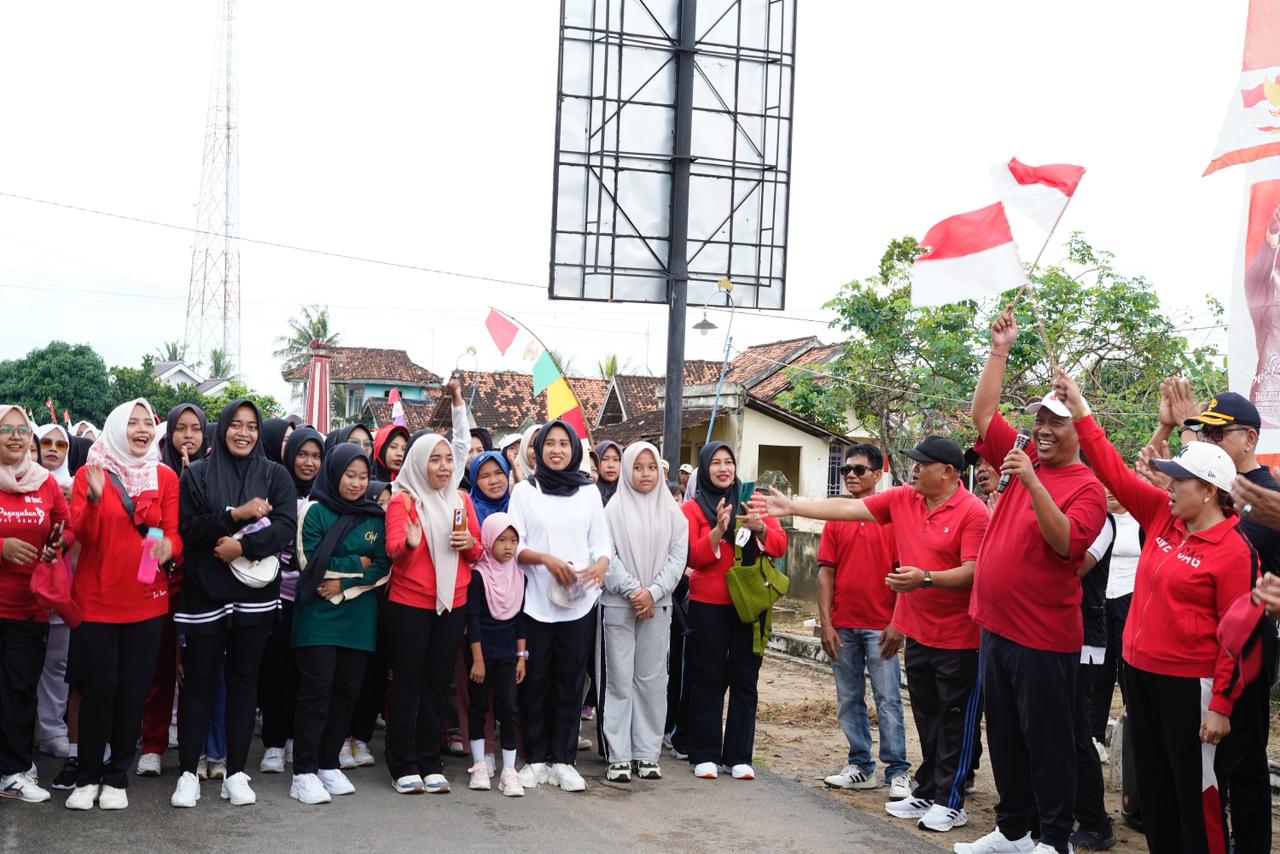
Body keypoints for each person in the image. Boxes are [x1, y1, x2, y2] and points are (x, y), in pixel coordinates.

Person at [1053, 370, 1255, 854]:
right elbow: (1110, 468)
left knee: (1196, 795)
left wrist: (1221, 705)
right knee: (1156, 791)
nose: (1168, 484)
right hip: (1140, 675)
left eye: (1179, 479)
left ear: (1208, 490)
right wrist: (1080, 407)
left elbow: (1238, 635)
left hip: (1190, 687)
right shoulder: (1163, 515)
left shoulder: (1232, 548)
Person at [766, 436, 986, 833]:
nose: (914, 469)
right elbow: (848, 509)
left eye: (923, 464)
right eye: (913, 462)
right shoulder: (905, 499)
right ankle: (928, 790)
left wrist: (926, 579)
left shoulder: (972, 511)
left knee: (954, 722)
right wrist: (793, 506)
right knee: (928, 718)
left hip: (959, 638)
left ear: (949, 472)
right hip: (919, 633)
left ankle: (952, 802)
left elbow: (973, 571)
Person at [948, 309, 1106, 854]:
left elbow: (1066, 544)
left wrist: (1033, 481)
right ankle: (1013, 830)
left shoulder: (1086, 486)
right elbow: (981, 412)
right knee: (1006, 737)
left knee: (1049, 743)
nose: (1042, 429)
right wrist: (1000, 349)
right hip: (997, 628)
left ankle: (1055, 839)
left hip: (1043, 637)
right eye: (1039, 419)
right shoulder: (1021, 455)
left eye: (1056, 422)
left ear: (1077, 430)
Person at [1161, 383, 1277, 854]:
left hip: (1246, 647)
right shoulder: (1211, 491)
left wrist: (1190, 442)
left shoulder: (1265, 496)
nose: (1206, 442)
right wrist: (1172, 433)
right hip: (1202, 650)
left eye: (1217, 434)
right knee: (1209, 759)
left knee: (1243, 761)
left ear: (1249, 439)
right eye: (1202, 433)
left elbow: (1231, 542)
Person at [171, 400, 297, 808]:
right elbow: (188, 528)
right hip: (204, 590)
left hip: (255, 595)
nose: (244, 433)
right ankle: (187, 773)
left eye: (252, 426)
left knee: (245, 683)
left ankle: (237, 773)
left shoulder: (275, 474)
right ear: (222, 427)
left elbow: (285, 528)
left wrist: (242, 546)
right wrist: (235, 515)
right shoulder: (197, 473)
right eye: (236, 425)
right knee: (199, 683)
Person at [64, 399, 181, 810]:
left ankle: (117, 777)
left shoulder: (164, 476)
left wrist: (168, 548)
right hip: (96, 600)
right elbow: (83, 535)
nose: (142, 429)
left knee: (133, 692)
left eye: (148, 422)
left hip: (146, 602)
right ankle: (87, 777)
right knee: (99, 690)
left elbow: (171, 533)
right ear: (115, 428)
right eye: (132, 422)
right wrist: (95, 499)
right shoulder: (90, 473)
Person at [381, 379, 479, 795]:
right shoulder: (403, 501)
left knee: (437, 684)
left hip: (452, 605)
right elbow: (392, 551)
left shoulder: (460, 501)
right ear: (418, 463)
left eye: (447, 460)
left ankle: (428, 760)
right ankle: (402, 763)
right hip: (409, 606)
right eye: (434, 459)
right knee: (407, 684)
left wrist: (469, 544)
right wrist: (408, 543)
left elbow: (477, 553)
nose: (442, 466)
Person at [508, 420, 612, 793]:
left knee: (570, 681)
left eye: (563, 444)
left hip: (579, 602)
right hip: (536, 601)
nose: (556, 450)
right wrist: (545, 560)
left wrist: (600, 566)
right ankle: (536, 759)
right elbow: (515, 545)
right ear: (537, 451)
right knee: (536, 680)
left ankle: (564, 760)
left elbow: (602, 543)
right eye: (549, 443)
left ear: (574, 450)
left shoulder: (589, 493)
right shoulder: (524, 491)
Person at [288, 445, 389, 805]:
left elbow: (383, 566)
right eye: (349, 475)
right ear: (334, 474)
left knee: (347, 694)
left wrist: (343, 584)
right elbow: (310, 561)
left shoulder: (375, 517)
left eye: (363, 477)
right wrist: (359, 563)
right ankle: (303, 771)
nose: (357, 483)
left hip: (357, 618)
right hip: (318, 618)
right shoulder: (315, 510)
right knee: (316, 693)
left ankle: (328, 763)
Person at [812, 444, 912, 799]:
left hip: (881, 626)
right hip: (843, 626)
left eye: (858, 469)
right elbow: (826, 572)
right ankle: (860, 765)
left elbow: (905, 573)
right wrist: (826, 623)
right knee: (848, 699)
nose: (850, 475)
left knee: (888, 699)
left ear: (878, 473)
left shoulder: (893, 517)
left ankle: (897, 770)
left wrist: (898, 622)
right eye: (846, 470)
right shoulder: (837, 517)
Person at [684, 442, 786, 782]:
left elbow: (780, 545)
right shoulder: (693, 508)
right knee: (708, 677)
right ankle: (704, 754)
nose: (723, 468)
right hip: (708, 604)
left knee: (746, 679)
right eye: (715, 463)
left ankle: (739, 756)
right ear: (704, 468)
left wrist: (760, 528)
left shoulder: (753, 501)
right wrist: (717, 530)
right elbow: (692, 557)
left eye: (728, 462)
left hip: (750, 603)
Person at [597, 441, 688, 783]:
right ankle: (618, 755)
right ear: (627, 469)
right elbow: (606, 556)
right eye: (638, 467)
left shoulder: (673, 513)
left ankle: (646, 753)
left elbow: (677, 559)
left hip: (658, 606)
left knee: (652, 680)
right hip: (619, 605)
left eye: (651, 467)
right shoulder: (612, 510)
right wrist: (634, 591)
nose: (645, 474)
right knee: (618, 679)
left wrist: (653, 592)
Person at [0, 404, 70, 804]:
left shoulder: (44, 482)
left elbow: (67, 526)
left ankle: (14, 769)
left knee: (20, 690)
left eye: (22, 430)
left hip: (29, 606)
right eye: (5, 429)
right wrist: (2, 547)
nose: (15, 437)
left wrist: (58, 542)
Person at [137, 403, 209, 778]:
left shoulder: (214, 474)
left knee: (198, 667)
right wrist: (147, 572)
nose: (188, 436)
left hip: (205, 583)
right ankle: (152, 744)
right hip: (164, 579)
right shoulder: (154, 474)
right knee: (159, 667)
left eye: (195, 428)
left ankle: (195, 742)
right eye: (181, 428)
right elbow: (151, 526)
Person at [257, 425, 324, 775]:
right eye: (302, 454)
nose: (309, 462)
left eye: (316, 456)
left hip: (313, 597)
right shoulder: (275, 489)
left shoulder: (327, 496)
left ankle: (297, 739)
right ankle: (273, 742)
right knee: (276, 671)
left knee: (306, 673)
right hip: (278, 594)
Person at [464, 512, 527, 796]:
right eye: (502, 540)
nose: (508, 546)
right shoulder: (478, 575)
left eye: (513, 540)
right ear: (489, 540)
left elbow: (520, 619)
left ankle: (508, 770)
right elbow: (473, 619)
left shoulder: (519, 575)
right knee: (478, 707)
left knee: (509, 709)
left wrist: (522, 656)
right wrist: (477, 659)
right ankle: (479, 764)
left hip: (507, 654)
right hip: (480, 653)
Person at [1070, 509, 1117, 850]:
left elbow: (1075, 566)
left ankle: (1095, 821)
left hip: (1085, 635)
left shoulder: (1101, 521)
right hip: (1052, 632)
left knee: (1077, 732)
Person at [34, 424, 74, 760]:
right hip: (21, 590)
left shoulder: (78, 486)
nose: (52, 449)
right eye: (45, 442)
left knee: (57, 665)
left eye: (61, 444)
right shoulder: (21, 482)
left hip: (63, 585)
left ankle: (50, 729)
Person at [468, 451, 511, 527]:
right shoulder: (467, 510)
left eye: (498, 473)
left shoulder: (519, 504)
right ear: (475, 481)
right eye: (485, 476)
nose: (493, 481)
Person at [593, 441, 623, 506]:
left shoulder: (628, 492)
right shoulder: (589, 494)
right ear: (596, 462)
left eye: (616, 459)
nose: (611, 465)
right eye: (605, 459)